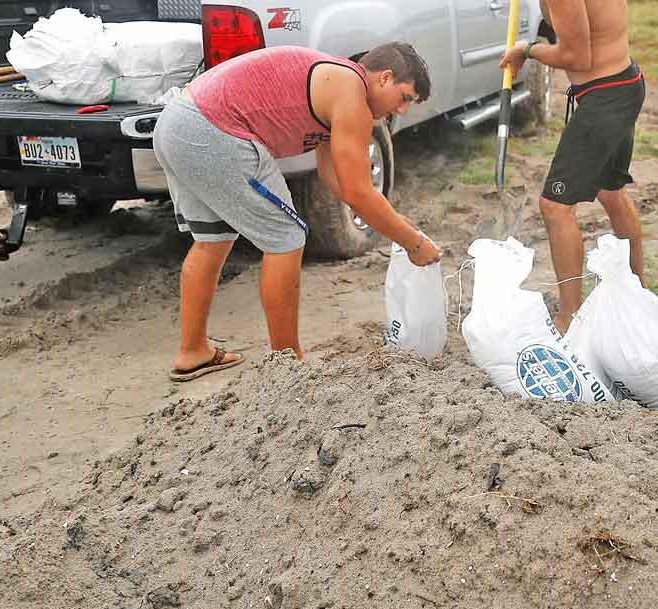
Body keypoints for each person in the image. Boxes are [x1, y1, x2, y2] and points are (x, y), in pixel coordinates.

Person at [152, 42, 442, 381]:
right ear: (385, 78)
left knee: (213, 240)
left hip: (177, 124)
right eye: (404, 97)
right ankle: (287, 365)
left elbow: (335, 179)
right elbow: (358, 193)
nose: (401, 111)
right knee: (287, 236)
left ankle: (193, 352)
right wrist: (414, 244)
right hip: (212, 131)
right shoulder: (353, 94)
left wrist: (401, 226)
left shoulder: (336, 82)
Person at [485, 0, 645, 333]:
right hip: (625, 82)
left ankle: (569, 317)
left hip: (603, 96)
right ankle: (638, 291)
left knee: (554, 206)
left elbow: (576, 53)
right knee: (611, 190)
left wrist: (528, 50)